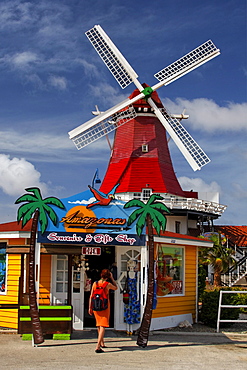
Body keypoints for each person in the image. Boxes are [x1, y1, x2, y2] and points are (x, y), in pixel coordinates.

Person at [88, 269, 118, 353]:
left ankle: (102, 342)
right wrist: (112, 278)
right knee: (103, 325)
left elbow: (91, 296)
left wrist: (90, 307)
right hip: (105, 306)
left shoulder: (95, 283)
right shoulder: (107, 284)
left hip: (95, 306)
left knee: (98, 324)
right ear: (108, 276)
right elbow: (116, 287)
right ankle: (98, 346)